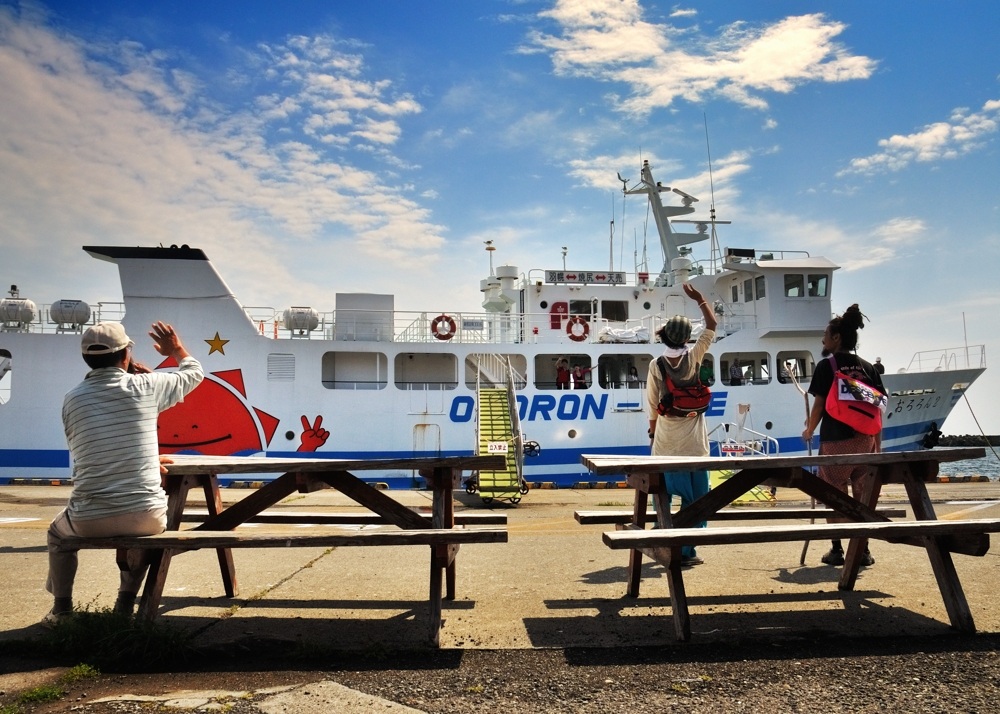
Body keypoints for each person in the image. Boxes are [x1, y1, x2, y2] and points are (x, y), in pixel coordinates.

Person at [44, 321, 203, 624]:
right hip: (146, 516)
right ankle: (124, 604)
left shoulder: (72, 399)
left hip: (87, 518)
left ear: (86, 358)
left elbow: (88, 449)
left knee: (56, 534)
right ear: (126, 355)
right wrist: (175, 349)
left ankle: (62, 610)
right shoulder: (146, 387)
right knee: (143, 531)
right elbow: (194, 373)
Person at [801, 304, 886, 567]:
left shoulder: (828, 366)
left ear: (836, 338)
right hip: (865, 441)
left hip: (836, 440)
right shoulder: (869, 368)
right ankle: (863, 550)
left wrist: (810, 429)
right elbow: (878, 409)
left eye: (826, 334)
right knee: (862, 495)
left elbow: (819, 404)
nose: (823, 339)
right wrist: (877, 447)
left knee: (832, 493)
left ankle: (837, 549)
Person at [646, 283, 718, 567]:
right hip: (695, 444)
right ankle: (686, 550)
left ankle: (664, 539)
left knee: (662, 495)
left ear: (664, 335)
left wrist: (653, 431)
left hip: (666, 443)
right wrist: (699, 297)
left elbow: (652, 405)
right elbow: (712, 324)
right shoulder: (695, 355)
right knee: (697, 500)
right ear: (688, 337)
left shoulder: (656, 365)